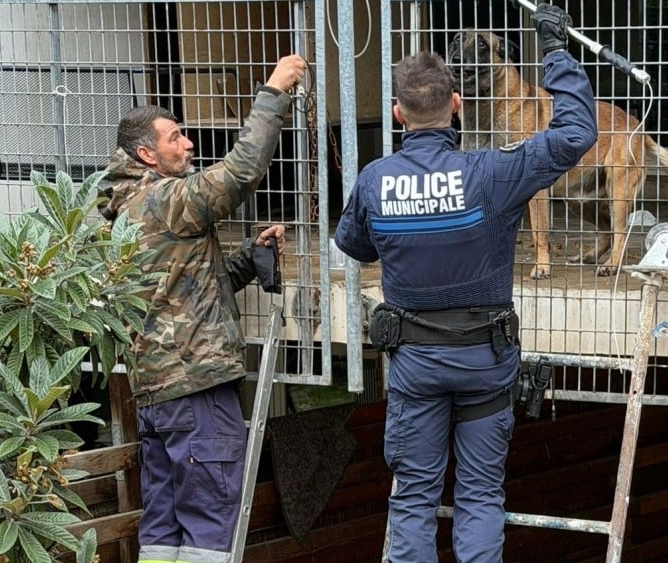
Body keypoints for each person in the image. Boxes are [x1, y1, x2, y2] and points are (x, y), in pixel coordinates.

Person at [334, 4, 597, 561]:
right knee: (479, 497)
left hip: (416, 364)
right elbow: (576, 132)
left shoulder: (375, 181)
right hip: (484, 361)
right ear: (457, 105)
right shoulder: (494, 172)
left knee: (413, 501)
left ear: (397, 114)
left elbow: (352, 244)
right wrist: (554, 52)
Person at [96, 54, 306, 563]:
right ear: (147, 154)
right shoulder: (162, 200)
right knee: (211, 524)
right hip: (196, 389)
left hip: (157, 397)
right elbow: (241, 172)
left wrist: (248, 261)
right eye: (176, 137)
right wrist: (274, 91)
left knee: (163, 527)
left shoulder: (122, 207)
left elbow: (182, 289)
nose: (189, 143)